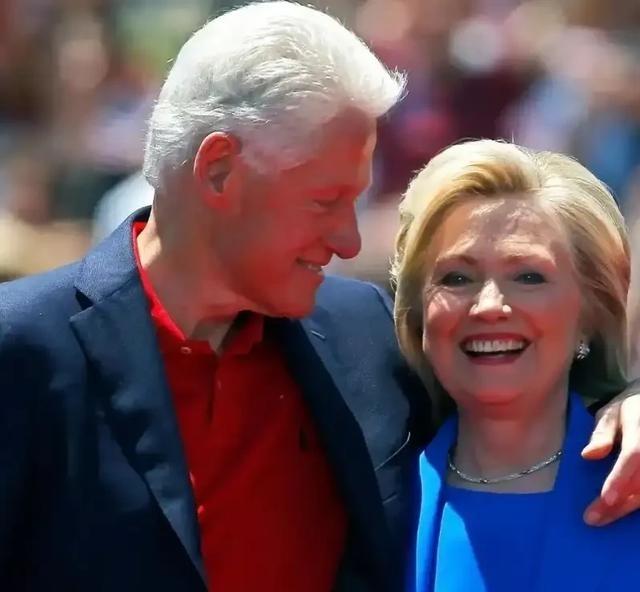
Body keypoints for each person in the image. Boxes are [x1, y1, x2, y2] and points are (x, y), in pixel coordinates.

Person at [0, 3, 639, 591]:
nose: (348, 239)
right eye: (325, 201)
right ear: (219, 170)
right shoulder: (23, 351)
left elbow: (520, 385)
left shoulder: (361, 335)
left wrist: (628, 402)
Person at [392, 139, 640, 591]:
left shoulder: (632, 484)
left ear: (591, 312)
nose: (489, 306)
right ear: (418, 312)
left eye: (529, 276)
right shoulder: (371, 493)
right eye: (456, 278)